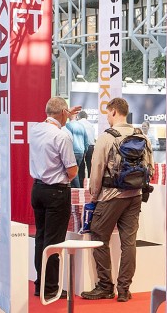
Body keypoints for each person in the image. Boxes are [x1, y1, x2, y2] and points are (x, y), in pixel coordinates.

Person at [82, 97, 153, 303]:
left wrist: (93, 196)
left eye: (107, 113)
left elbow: (96, 169)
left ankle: (105, 286)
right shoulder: (142, 136)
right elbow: (150, 167)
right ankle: (124, 289)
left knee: (98, 235)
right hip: (135, 196)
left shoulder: (106, 137)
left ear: (113, 111)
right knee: (128, 243)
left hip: (111, 196)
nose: (107, 117)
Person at [29, 96, 82, 300]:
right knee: (54, 242)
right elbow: (72, 171)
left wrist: (65, 114)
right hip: (57, 192)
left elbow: (52, 120)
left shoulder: (35, 129)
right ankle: (51, 287)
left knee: (41, 238)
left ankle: (41, 283)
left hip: (38, 189)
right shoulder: (62, 136)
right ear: (62, 113)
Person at [64, 112, 89, 187]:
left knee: (73, 173)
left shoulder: (67, 126)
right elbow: (86, 140)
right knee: (77, 172)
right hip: (81, 152)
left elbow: (67, 139)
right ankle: (79, 188)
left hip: (73, 151)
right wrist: (85, 151)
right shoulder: (81, 126)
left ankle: (77, 189)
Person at [81, 111, 96, 180]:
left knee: (81, 167)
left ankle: (81, 183)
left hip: (81, 147)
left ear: (78, 117)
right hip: (91, 147)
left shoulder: (78, 124)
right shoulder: (91, 125)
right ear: (86, 117)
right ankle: (90, 183)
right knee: (90, 167)